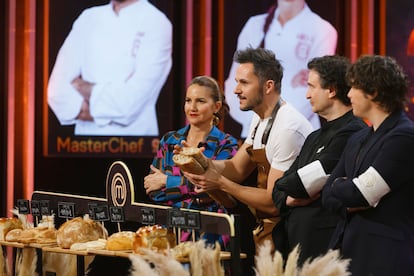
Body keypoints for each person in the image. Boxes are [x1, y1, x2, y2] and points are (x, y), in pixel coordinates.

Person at [183, 48, 313, 255]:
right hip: (268, 231)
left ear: (268, 86)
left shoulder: (287, 128)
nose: (235, 90)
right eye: (237, 82)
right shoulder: (260, 118)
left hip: (290, 235)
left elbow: (273, 203)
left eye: (244, 83)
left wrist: (220, 183)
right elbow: (237, 168)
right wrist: (199, 161)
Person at [321, 55, 414, 275]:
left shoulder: (404, 136)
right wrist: (341, 187)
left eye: (354, 87)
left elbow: (360, 194)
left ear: (373, 92)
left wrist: (341, 187)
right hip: (348, 252)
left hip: (385, 257)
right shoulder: (357, 138)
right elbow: (327, 194)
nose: (349, 93)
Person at [272, 55, 367, 264]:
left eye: (311, 87)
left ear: (331, 90)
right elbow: (278, 190)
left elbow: (301, 185)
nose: (306, 95)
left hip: (323, 247)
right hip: (295, 244)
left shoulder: (353, 132)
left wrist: (287, 189)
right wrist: (287, 196)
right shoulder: (314, 136)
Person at [48, 0, 172, 136]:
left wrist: (79, 86)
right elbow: (57, 91)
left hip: (136, 145)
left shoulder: (156, 22)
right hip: (85, 145)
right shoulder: (88, 17)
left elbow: (128, 104)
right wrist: (112, 110)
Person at [144, 75, 239, 245]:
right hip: (170, 233)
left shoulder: (226, 144)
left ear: (216, 106)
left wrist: (167, 181)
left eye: (200, 101)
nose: (192, 107)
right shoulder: (169, 140)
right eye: (188, 100)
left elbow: (221, 194)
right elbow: (154, 191)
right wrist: (197, 190)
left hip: (210, 233)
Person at [225, 0, 337, 138]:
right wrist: (257, 118)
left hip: (297, 134)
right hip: (253, 132)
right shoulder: (254, 25)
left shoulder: (322, 29)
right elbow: (232, 86)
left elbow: (315, 92)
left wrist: (274, 120)